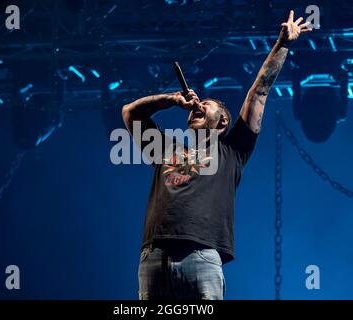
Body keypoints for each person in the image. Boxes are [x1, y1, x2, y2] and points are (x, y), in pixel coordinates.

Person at [122, 10, 312, 300]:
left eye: (207, 104)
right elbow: (130, 112)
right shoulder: (166, 149)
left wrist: (282, 45)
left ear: (222, 121)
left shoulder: (232, 149)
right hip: (154, 255)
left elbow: (258, 92)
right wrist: (171, 100)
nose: (199, 105)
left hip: (202, 256)